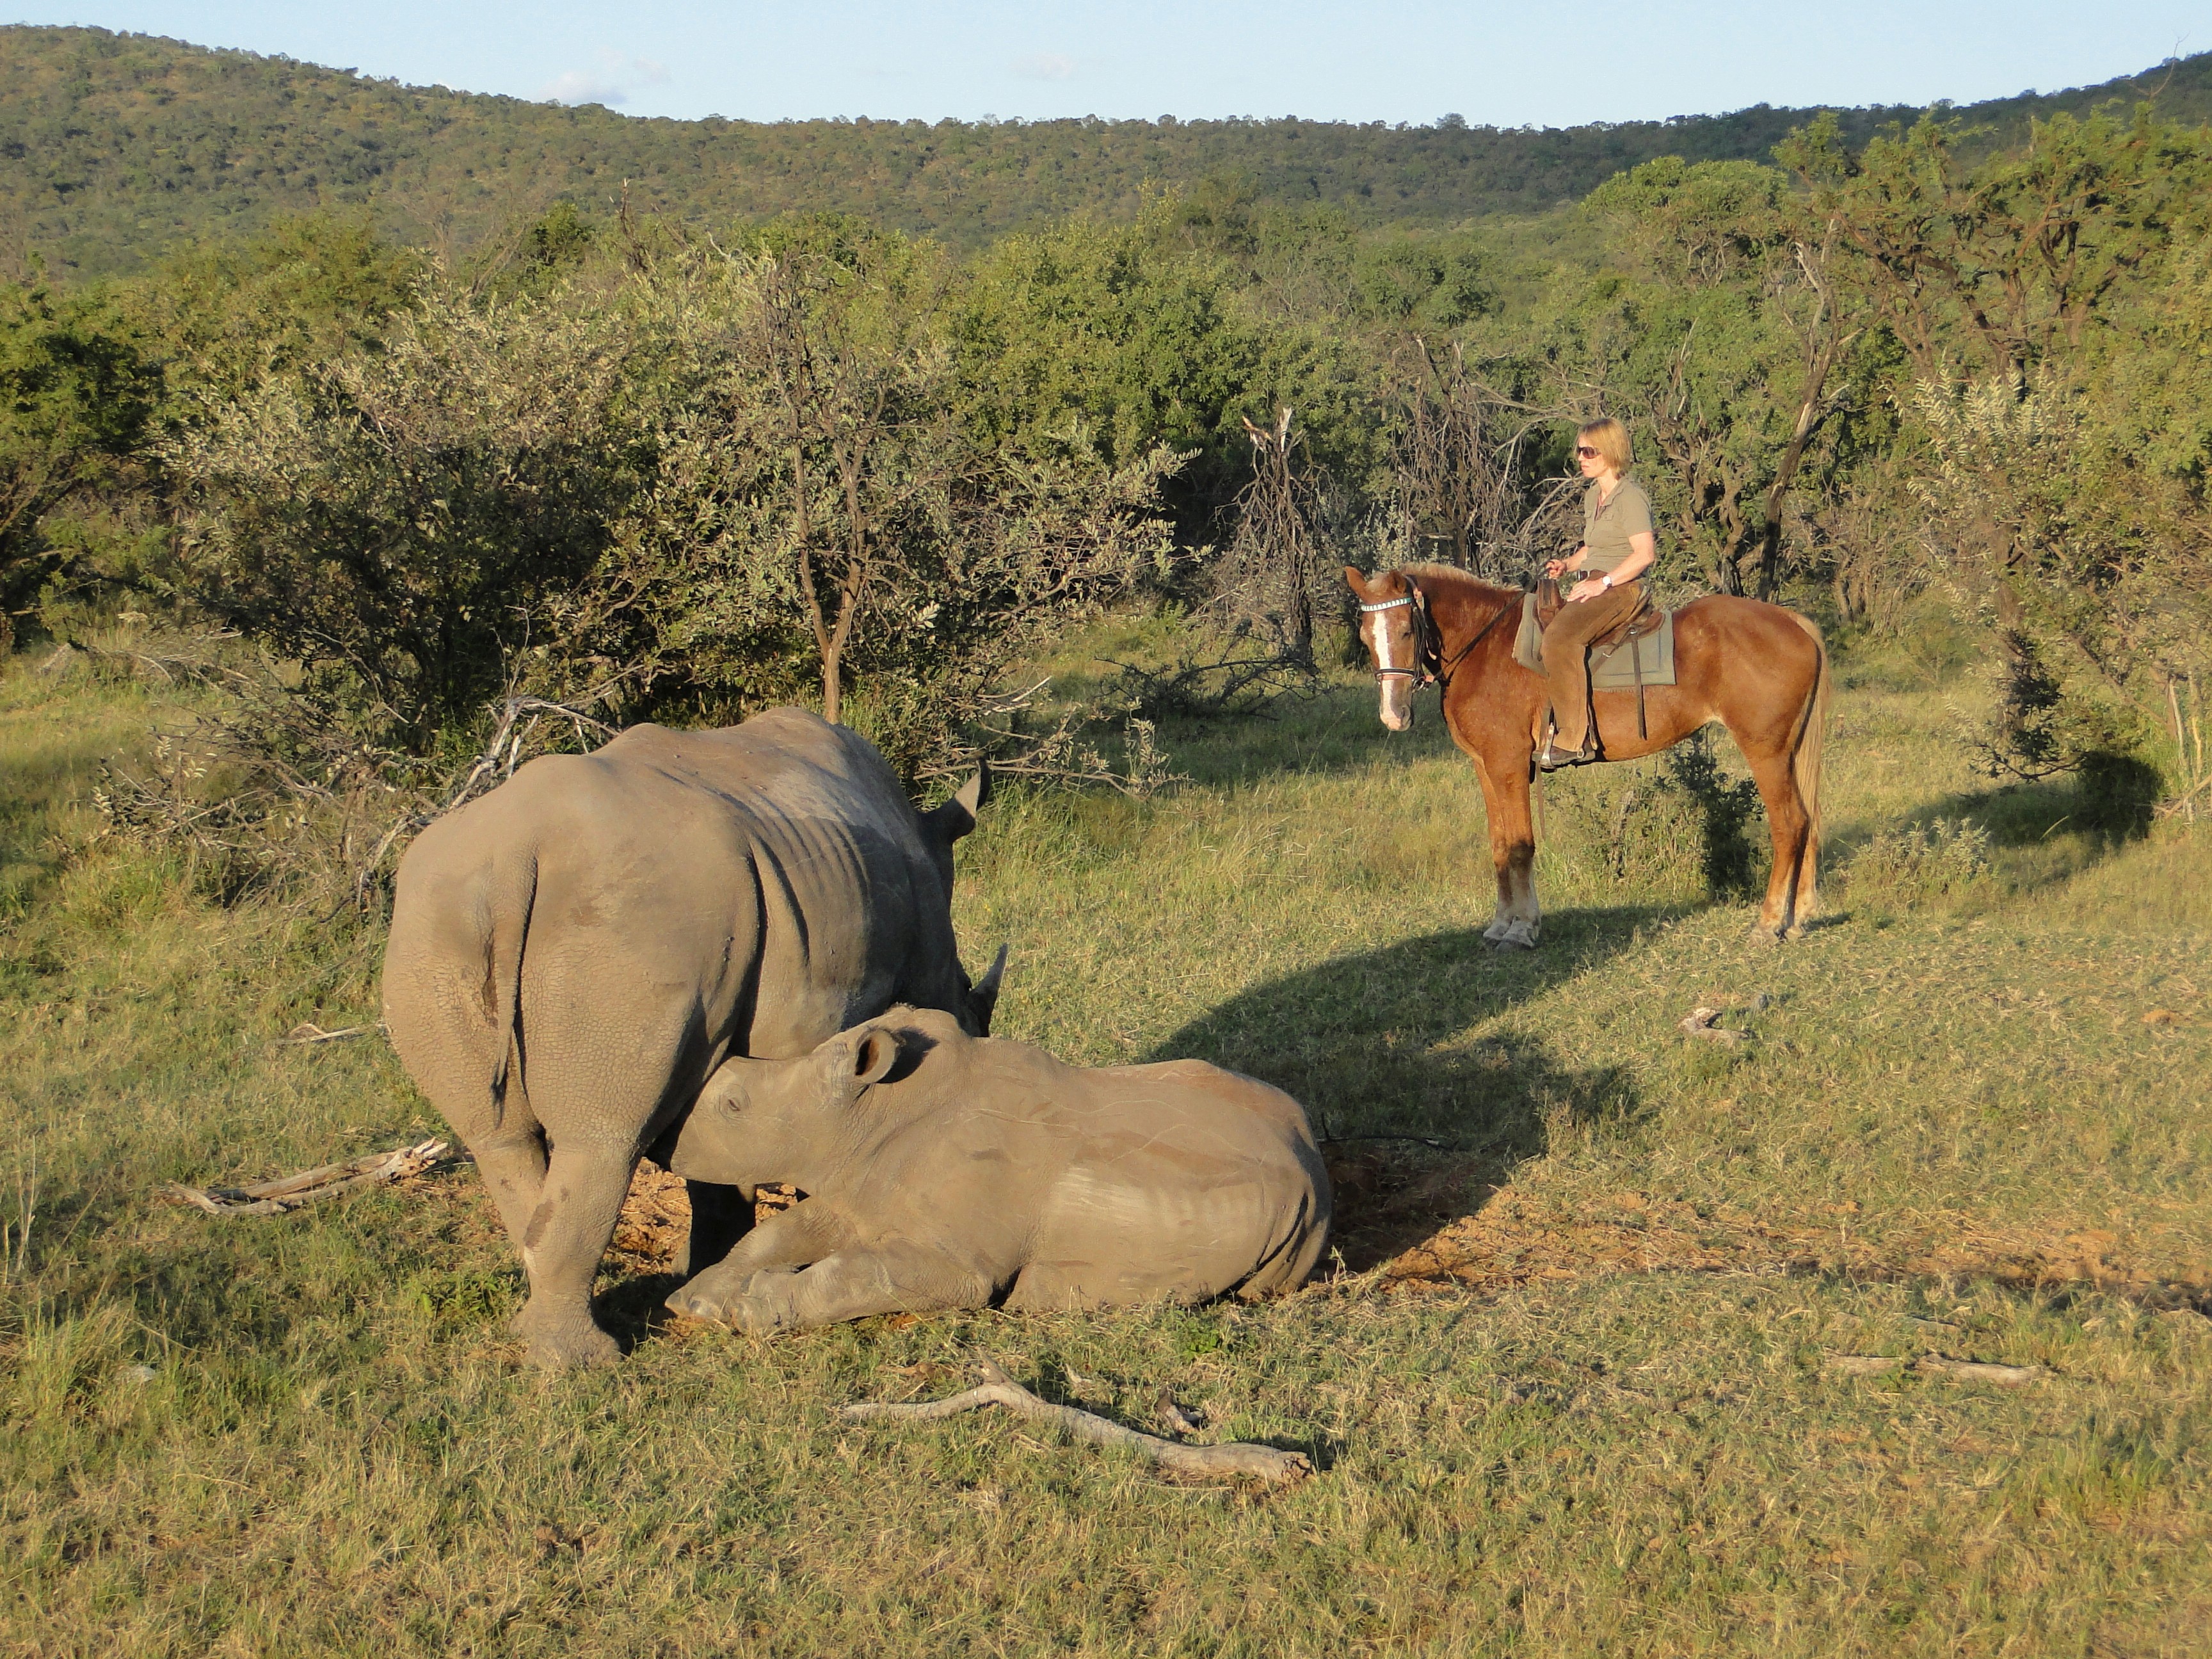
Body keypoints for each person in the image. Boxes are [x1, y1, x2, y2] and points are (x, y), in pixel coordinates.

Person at [1537, 417, 1656, 769]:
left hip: (1623, 588)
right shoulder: (1594, 495)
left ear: (1611, 452)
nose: (1581, 457)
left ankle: (1574, 739)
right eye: (1579, 450)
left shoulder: (1631, 498)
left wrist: (1602, 583)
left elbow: (1644, 554)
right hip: (1593, 581)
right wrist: (1568, 566)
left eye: (1589, 451)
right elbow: (1592, 547)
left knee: (1559, 640)